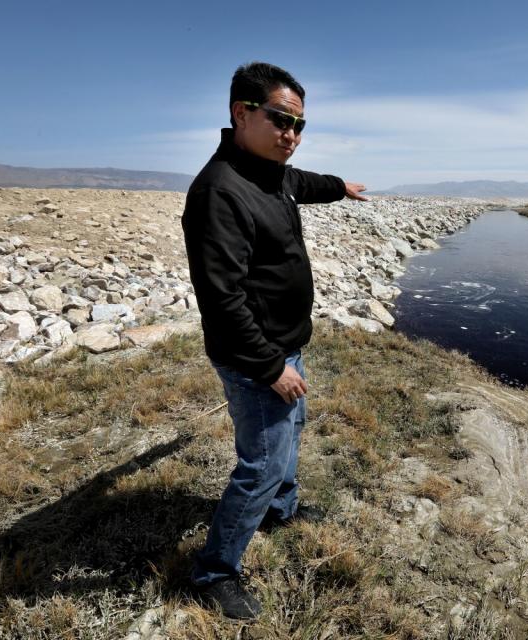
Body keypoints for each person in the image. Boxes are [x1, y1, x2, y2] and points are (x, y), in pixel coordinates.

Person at [180, 61, 367, 619]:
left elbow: (303, 182)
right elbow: (222, 299)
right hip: (255, 357)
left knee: (291, 433)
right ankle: (213, 574)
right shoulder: (220, 192)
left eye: (300, 125)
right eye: (281, 120)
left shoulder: (270, 171)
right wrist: (270, 367)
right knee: (261, 461)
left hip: (284, 345)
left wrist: (341, 187)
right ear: (241, 113)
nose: (292, 134)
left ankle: (280, 510)